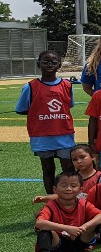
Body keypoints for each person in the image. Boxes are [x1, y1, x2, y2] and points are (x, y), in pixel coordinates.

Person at [17, 50, 75, 194]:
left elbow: (68, 105)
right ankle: (51, 199)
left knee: (68, 168)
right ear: (38, 64)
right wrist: (40, 113)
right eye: (45, 62)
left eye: (53, 62)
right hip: (41, 135)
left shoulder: (67, 85)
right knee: (48, 168)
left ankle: (72, 198)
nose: (49, 65)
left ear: (59, 65)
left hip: (64, 133)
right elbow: (22, 109)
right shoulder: (30, 86)